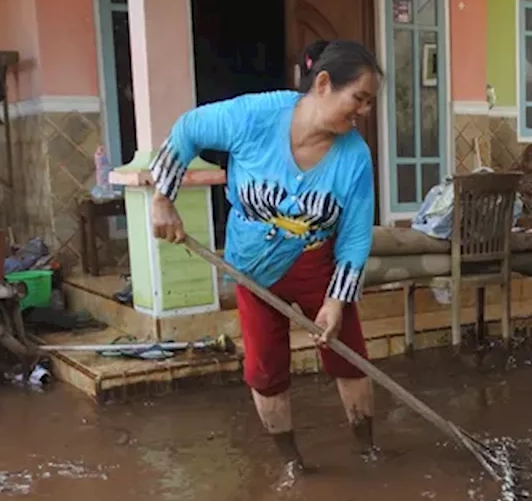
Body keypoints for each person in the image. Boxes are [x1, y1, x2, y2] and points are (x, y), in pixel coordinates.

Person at [149, 40, 382, 477]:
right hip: (251, 267)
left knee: (348, 357)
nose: (364, 112)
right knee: (264, 368)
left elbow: (353, 238)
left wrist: (334, 302)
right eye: (359, 99)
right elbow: (188, 129)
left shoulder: (356, 158)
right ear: (324, 84)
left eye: (369, 103)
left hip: (317, 265)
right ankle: (293, 465)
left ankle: (368, 451)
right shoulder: (255, 116)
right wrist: (163, 198)